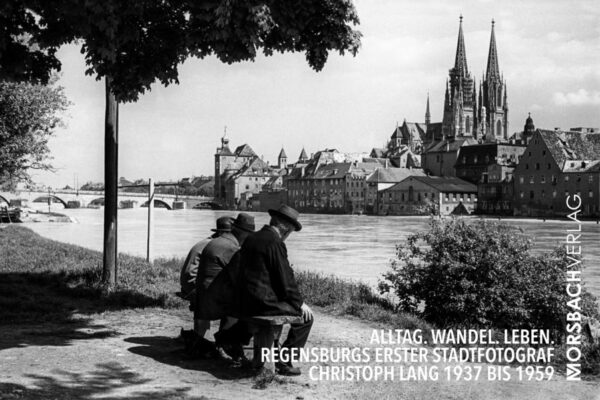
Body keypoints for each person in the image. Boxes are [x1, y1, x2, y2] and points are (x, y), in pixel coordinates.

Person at [238, 204, 313, 376]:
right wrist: (300, 304)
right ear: (285, 228)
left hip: (244, 299)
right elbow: (285, 280)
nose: (289, 235)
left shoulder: (252, 238)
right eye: (291, 231)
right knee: (306, 318)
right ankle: (284, 362)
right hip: (262, 304)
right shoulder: (275, 242)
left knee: (285, 311)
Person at [194, 213, 255, 350]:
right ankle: (229, 343)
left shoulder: (217, 241)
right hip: (213, 299)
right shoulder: (231, 248)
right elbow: (240, 277)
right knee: (248, 306)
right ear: (243, 233)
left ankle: (226, 341)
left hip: (203, 295)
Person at [178, 216, 232, 343]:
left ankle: (200, 337)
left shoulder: (206, 242)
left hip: (190, 284)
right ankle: (224, 341)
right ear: (222, 233)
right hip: (193, 287)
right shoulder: (214, 245)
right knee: (232, 302)